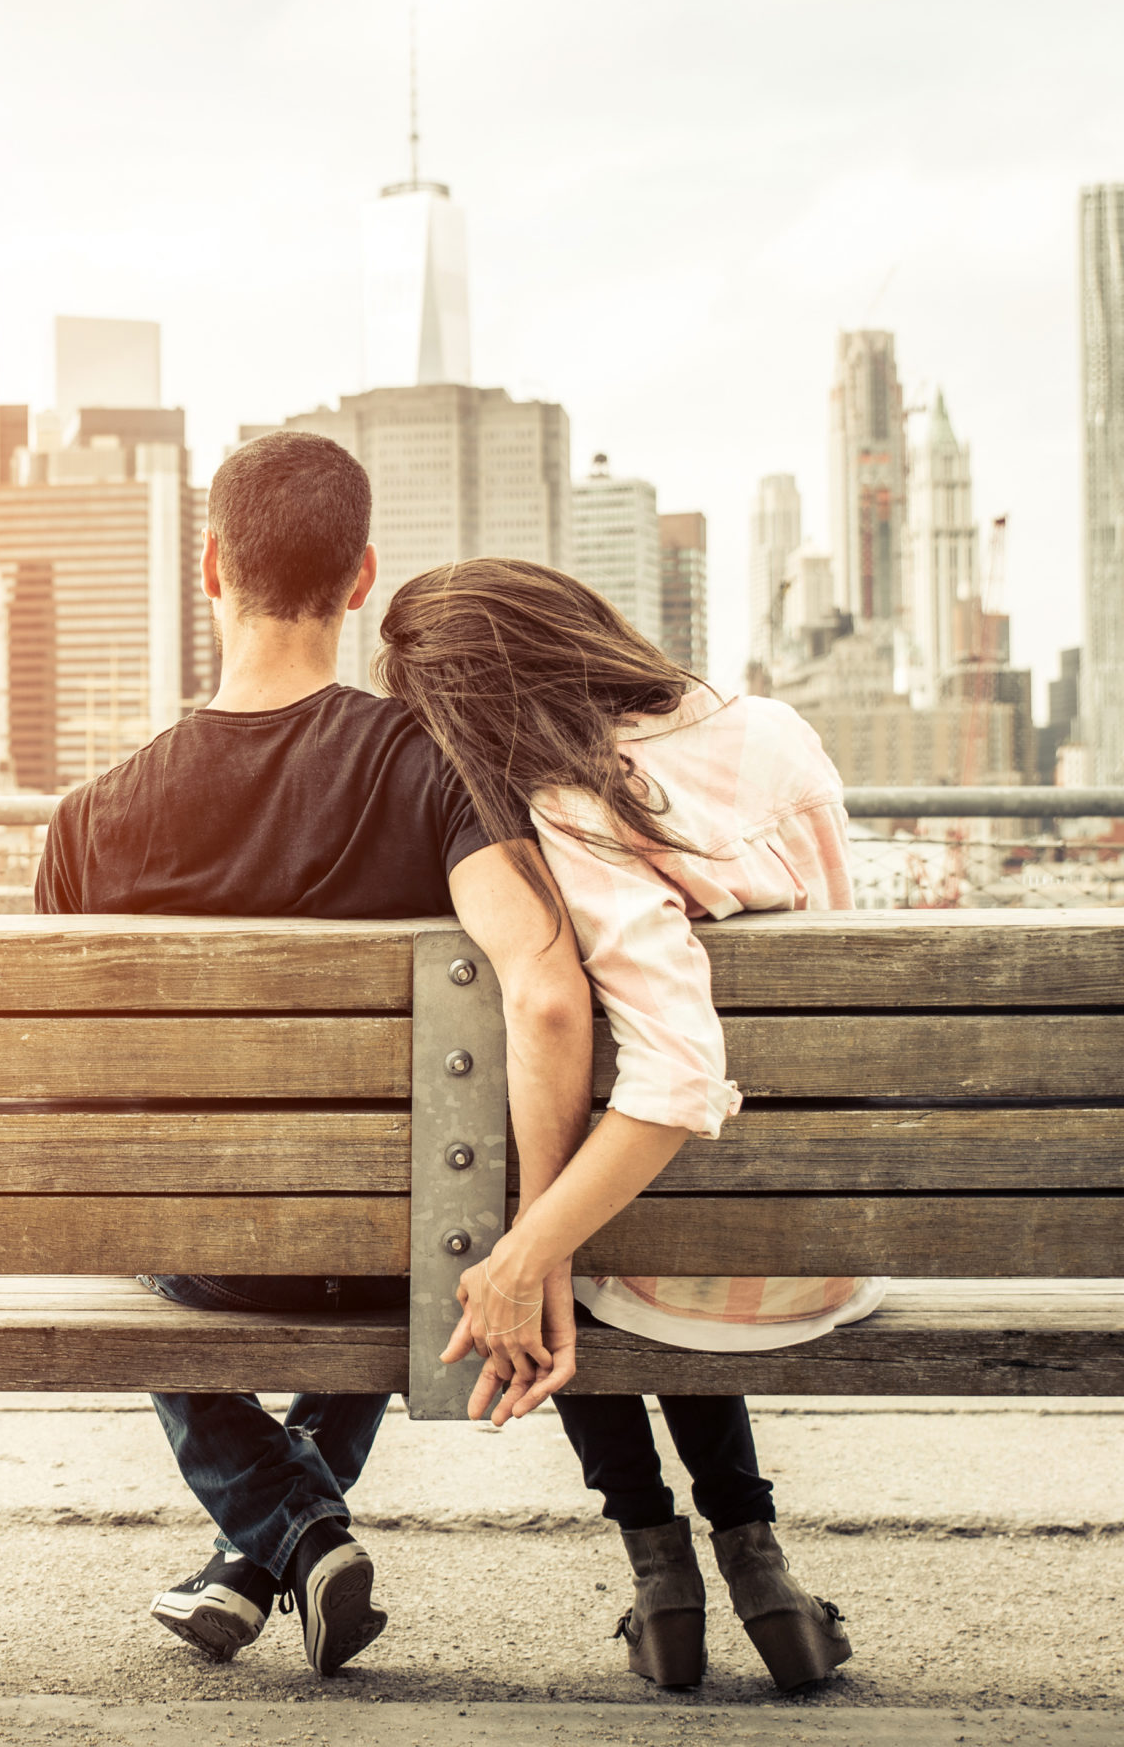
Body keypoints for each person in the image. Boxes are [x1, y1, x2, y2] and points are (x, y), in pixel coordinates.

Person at [33, 435, 595, 1675]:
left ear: (209, 569)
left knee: (150, 1218)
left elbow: (73, 1109)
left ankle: (279, 1535)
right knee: (399, 1204)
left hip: (208, 1262)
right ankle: (282, 1539)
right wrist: (535, 1240)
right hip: (392, 1249)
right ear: (360, 581)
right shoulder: (434, 768)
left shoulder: (86, 822)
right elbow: (549, 1000)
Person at [376, 555, 878, 1693]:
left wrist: (525, 1248)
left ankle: (662, 1575)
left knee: (558, 1264)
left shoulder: (578, 801)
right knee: (616, 1238)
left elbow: (677, 1074)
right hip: (827, 1240)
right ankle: (757, 1564)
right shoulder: (774, 730)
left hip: (696, 1264)